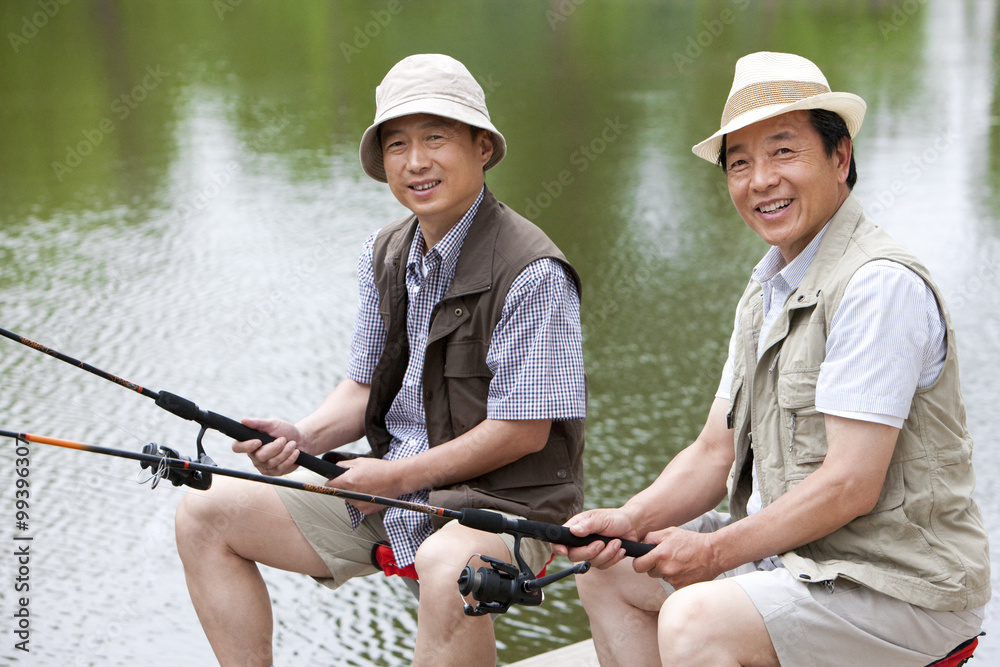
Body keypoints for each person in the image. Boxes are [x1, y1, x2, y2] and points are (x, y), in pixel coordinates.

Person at [554, 51, 990, 666]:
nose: (760, 180)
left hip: (897, 583)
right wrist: (625, 520)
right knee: (609, 572)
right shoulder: (765, 291)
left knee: (696, 618)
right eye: (740, 163)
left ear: (840, 159)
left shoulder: (876, 284)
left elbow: (849, 485)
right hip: (794, 560)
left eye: (784, 151)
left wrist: (712, 554)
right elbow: (715, 450)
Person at [174, 53, 586, 667]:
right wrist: (301, 435)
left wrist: (394, 477)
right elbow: (364, 390)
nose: (415, 161)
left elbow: (523, 431)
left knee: (450, 565)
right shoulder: (385, 254)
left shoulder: (533, 273)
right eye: (397, 144)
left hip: (506, 507)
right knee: (204, 511)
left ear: (482, 148)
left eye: (436, 138)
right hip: (391, 490)